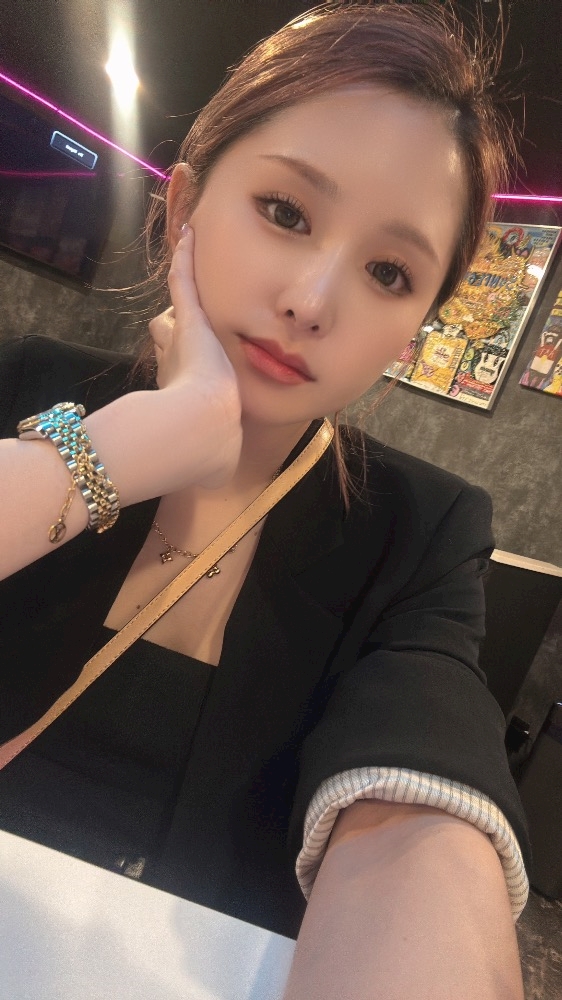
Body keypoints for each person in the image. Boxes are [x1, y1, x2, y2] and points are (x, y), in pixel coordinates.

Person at [0, 3, 529, 997]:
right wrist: (129, 444)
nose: (312, 300)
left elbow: (421, 791)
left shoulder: (416, 533)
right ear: (185, 206)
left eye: (389, 271)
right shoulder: (25, 384)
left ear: (415, 328)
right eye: (285, 211)